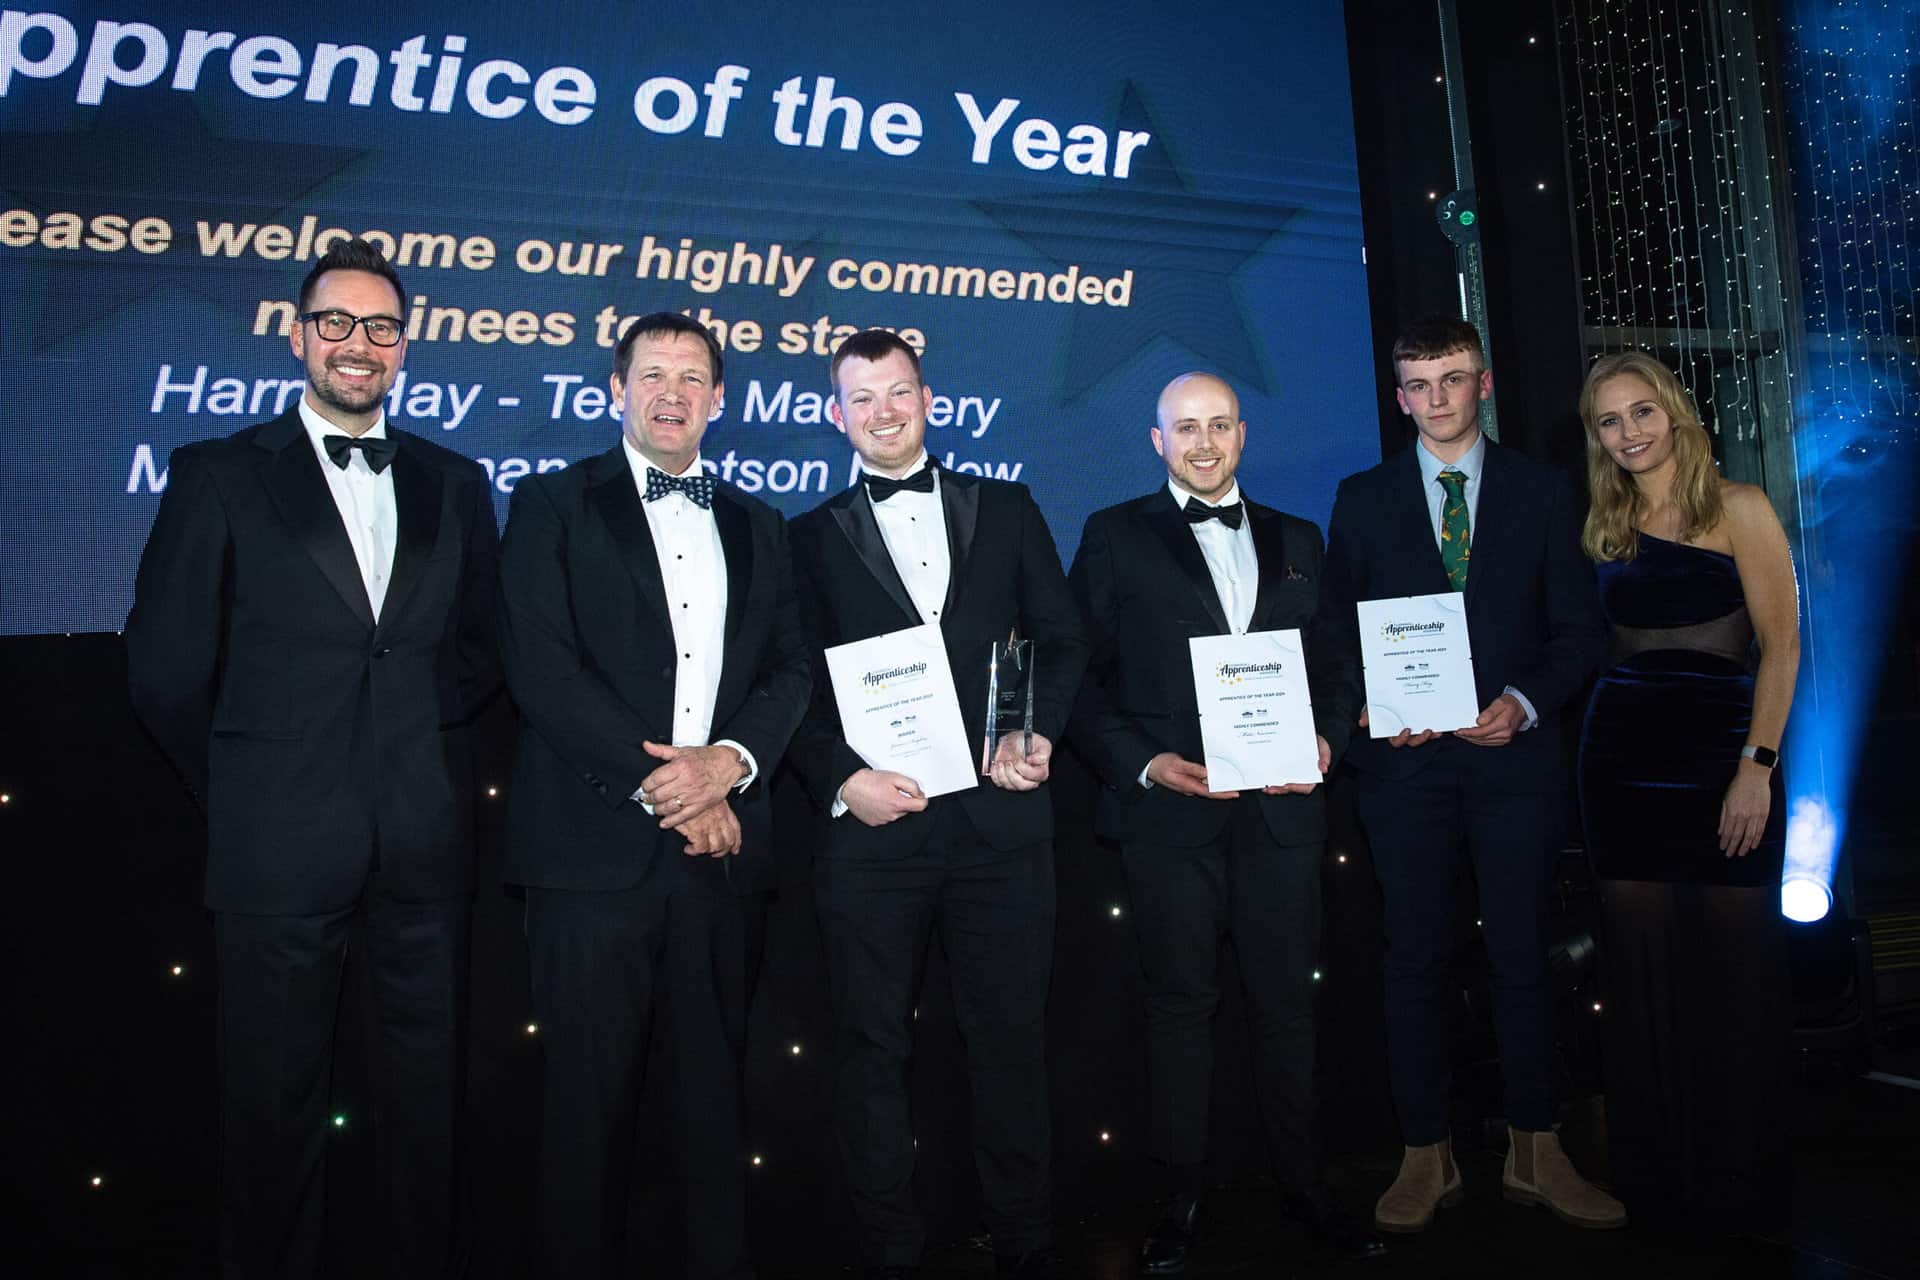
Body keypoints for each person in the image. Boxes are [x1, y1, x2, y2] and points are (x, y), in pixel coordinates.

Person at [125, 237, 500, 1278]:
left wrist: (407, 750)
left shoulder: (457, 481)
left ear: (405, 348)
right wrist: (252, 785)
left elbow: (478, 652)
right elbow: (163, 670)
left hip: (424, 845)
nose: (357, 343)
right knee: (271, 1109)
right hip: (276, 847)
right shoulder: (218, 475)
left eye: (380, 326)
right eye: (336, 321)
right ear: (298, 335)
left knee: (426, 1113)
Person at [495, 311, 810, 1278]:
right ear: (616, 390)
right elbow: (543, 670)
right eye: (653, 373)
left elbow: (791, 668)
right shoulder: (550, 504)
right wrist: (672, 785)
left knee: (715, 1108)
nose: (672, 392)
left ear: (721, 399)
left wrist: (732, 763)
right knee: (583, 1115)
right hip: (593, 861)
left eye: (693, 377)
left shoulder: (761, 523)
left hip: (720, 862)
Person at [787, 329, 1089, 1279]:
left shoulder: (1006, 507)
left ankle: (1028, 1245)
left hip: (1002, 829)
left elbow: (1060, 639)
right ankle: (891, 1253)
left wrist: (1029, 732)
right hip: (875, 834)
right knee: (872, 1053)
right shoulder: (801, 538)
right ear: (837, 416)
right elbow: (783, 682)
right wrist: (841, 778)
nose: (883, 411)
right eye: (862, 398)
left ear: (930, 401)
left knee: (1011, 1046)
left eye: (900, 393)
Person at [1068, 373, 1383, 1270]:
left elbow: (1334, 665)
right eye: (1184, 429)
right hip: (1171, 814)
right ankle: (1183, 1197)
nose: (1203, 443)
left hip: (1283, 813)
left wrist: (1327, 738)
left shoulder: (1300, 538)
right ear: (1156, 441)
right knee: (1179, 1008)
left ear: (1243, 434)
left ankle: (1306, 1185)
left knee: (1288, 1005)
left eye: (1218, 426)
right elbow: (1077, 677)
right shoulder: (1113, 535)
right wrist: (1145, 762)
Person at [1318, 316, 1624, 1231]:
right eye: (1418, 384)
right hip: (1404, 771)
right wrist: (1369, 705)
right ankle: (1426, 1155)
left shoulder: (1541, 491)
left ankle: (1539, 1149)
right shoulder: (1362, 498)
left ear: (1482, 384)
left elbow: (1581, 631)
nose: (1435, 399)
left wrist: (1524, 701)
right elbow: (1337, 634)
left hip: (1514, 763)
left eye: (1452, 380)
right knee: (1410, 959)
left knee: (1522, 954)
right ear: (1399, 395)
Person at [1575, 352, 1799, 1226]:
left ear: (1674, 413)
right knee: (1641, 975)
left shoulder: (1740, 505)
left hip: (1723, 755)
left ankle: (1740, 1180)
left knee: (1735, 969)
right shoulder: (1608, 517)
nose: (1629, 433)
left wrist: (1758, 765)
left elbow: (1779, 646)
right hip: (1619, 754)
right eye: (1609, 421)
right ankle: (1659, 1180)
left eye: (1642, 412)